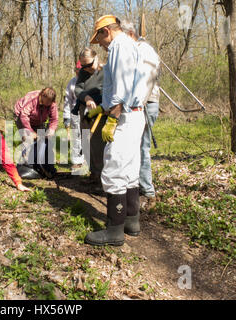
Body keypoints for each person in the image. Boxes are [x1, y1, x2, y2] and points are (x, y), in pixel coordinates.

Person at [84, 15, 150, 247]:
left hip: (123, 117)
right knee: (130, 170)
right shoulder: (130, 46)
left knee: (113, 171)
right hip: (135, 114)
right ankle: (131, 221)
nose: (100, 45)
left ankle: (114, 230)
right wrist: (99, 110)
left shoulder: (120, 47)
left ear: (106, 32)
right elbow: (119, 89)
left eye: (99, 39)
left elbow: (121, 90)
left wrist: (112, 118)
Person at [121, 20, 160, 209]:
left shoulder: (142, 49)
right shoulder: (134, 49)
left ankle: (147, 191)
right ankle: (137, 188)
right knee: (135, 147)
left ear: (129, 34)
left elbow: (143, 81)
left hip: (145, 103)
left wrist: (137, 103)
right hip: (139, 104)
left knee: (141, 148)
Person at [73, 48, 106, 186]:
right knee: (86, 140)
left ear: (96, 58)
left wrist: (96, 100)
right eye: (83, 66)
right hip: (85, 110)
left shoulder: (106, 71)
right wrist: (86, 97)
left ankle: (101, 176)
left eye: (88, 65)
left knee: (98, 143)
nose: (86, 69)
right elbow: (78, 89)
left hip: (100, 111)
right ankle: (93, 172)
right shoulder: (82, 73)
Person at [14, 87, 58, 177]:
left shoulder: (52, 104)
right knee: (29, 139)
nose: (48, 104)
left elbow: (54, 119)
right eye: (47, 102)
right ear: (42, 96)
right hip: (21, 117)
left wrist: (52, 129)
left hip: (39, 120)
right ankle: (25, 166)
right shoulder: (32, 98)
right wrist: (30, 131)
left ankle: (43, 165)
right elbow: (24, 116)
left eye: (50, 103)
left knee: (44, 140)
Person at [63, 60, 85, 173]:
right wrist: (66, 117)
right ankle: (77, 161)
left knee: (87, 137)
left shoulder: (90, 80)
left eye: (80, 71)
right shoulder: (72, 82)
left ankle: (88, 162)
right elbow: (67, 100)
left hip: (88, 113)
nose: (78, 73)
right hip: (75, 114)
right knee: (76, 138)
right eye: (76, 71)